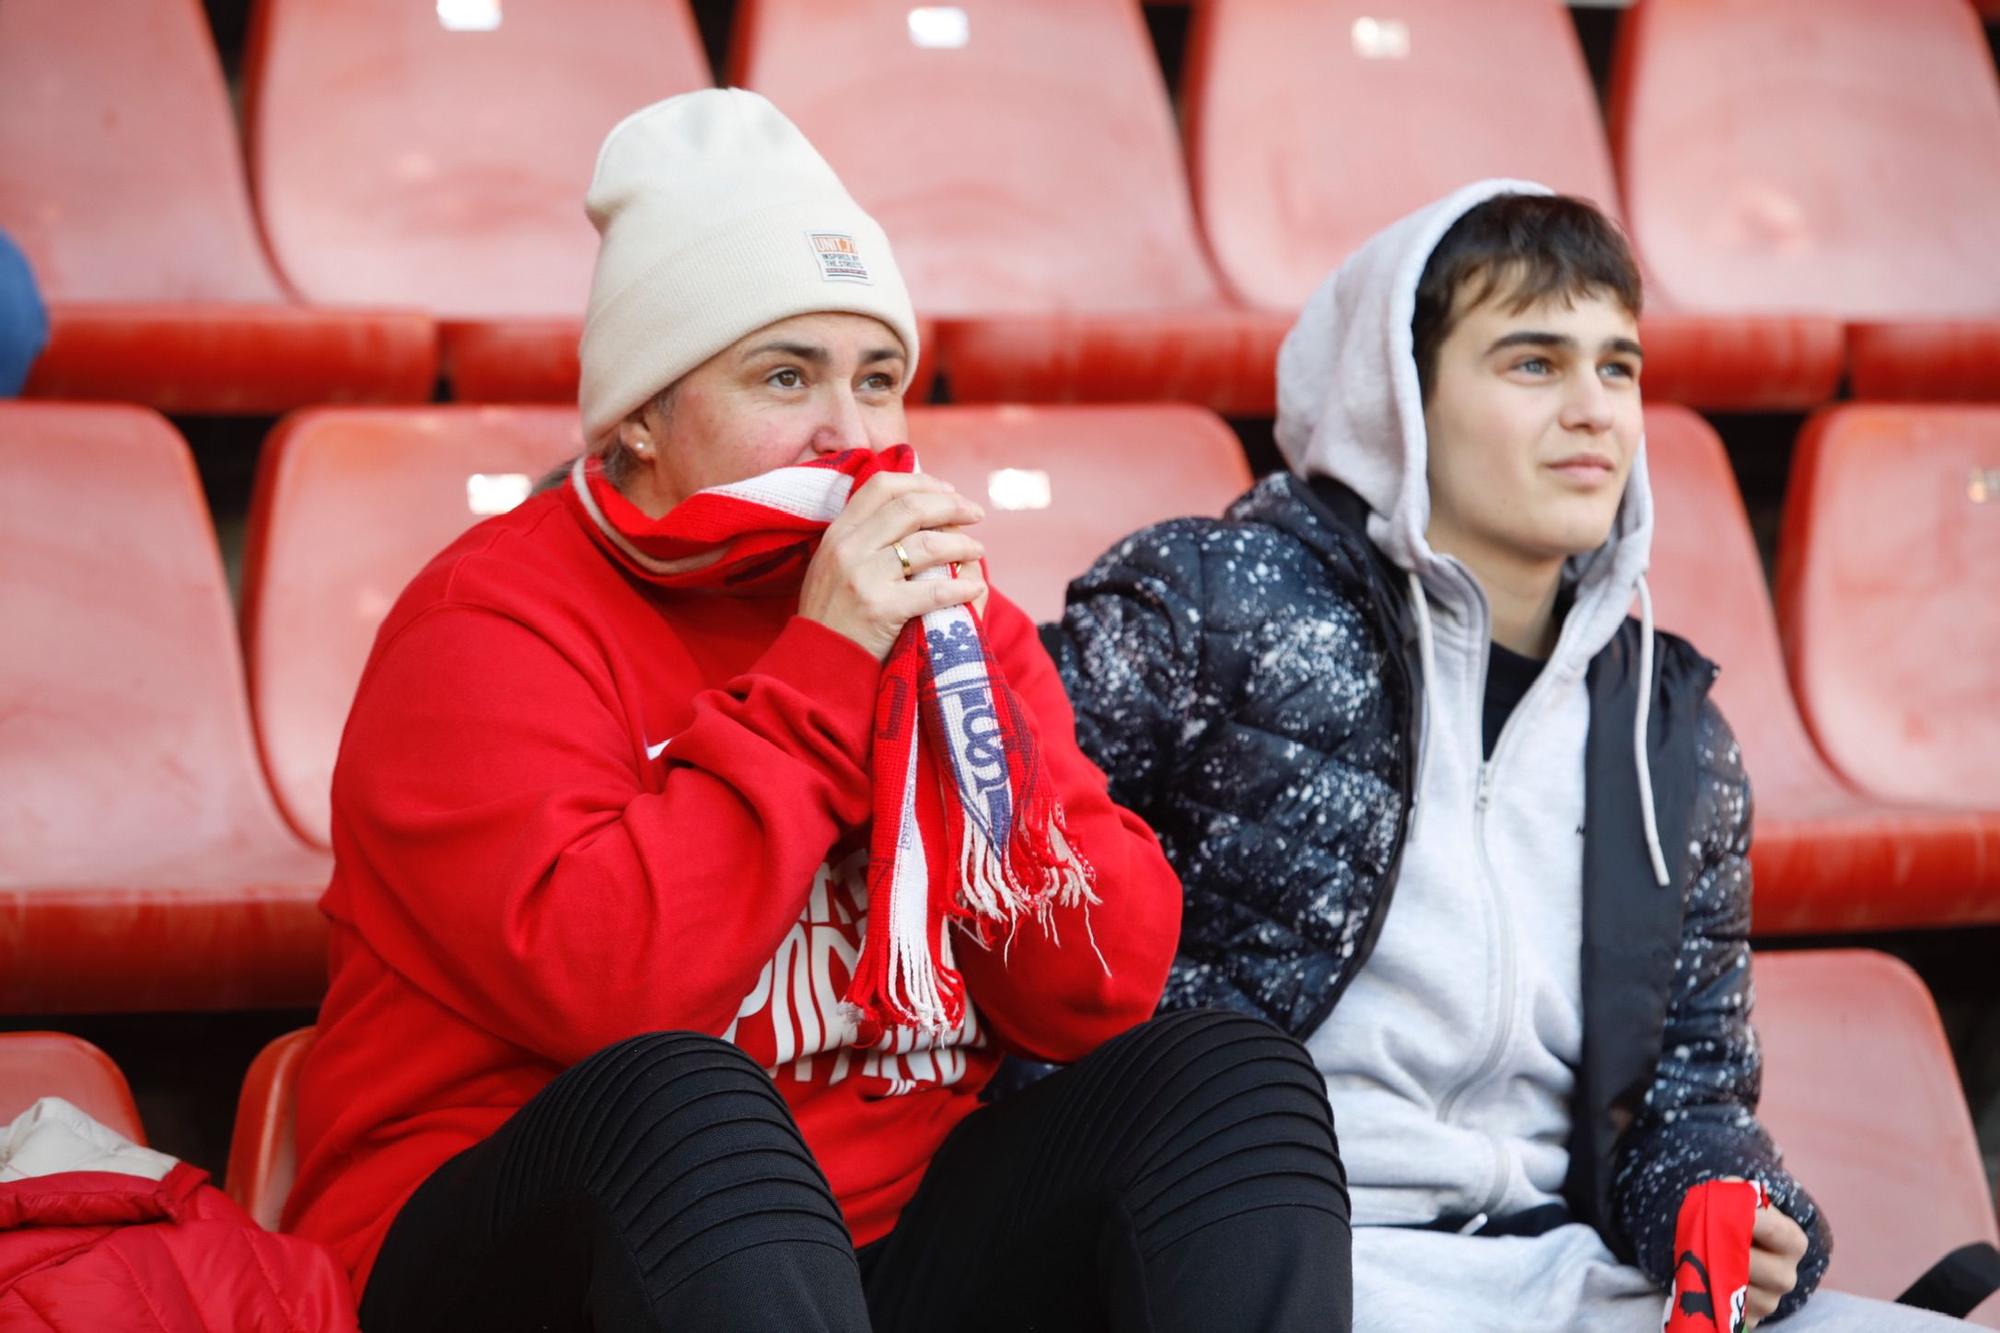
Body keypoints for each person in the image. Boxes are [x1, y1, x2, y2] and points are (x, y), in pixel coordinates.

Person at [283, 89, 1350, 1333]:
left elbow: (1093, 988)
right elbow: (611, 991)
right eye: (785, 376)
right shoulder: (488, 621)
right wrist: (827, 668)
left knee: (1227, 1079)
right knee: (693, 1097)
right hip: (515, 1238)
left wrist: (971, 717)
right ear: (639, 412)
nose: (851, 437)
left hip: (871, 1245)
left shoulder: (948, 617)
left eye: (879, 379)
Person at [1045, 180, 1966, 1329]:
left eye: (1615, 366)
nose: (1593, 411)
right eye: (1532, 363)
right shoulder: (1213, 606)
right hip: (1274, 1264)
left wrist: (1720, 1201)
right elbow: (1021, 921)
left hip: (1554, 1269)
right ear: (1397, 399)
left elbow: (1689, 1093)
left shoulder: (1669, 731)